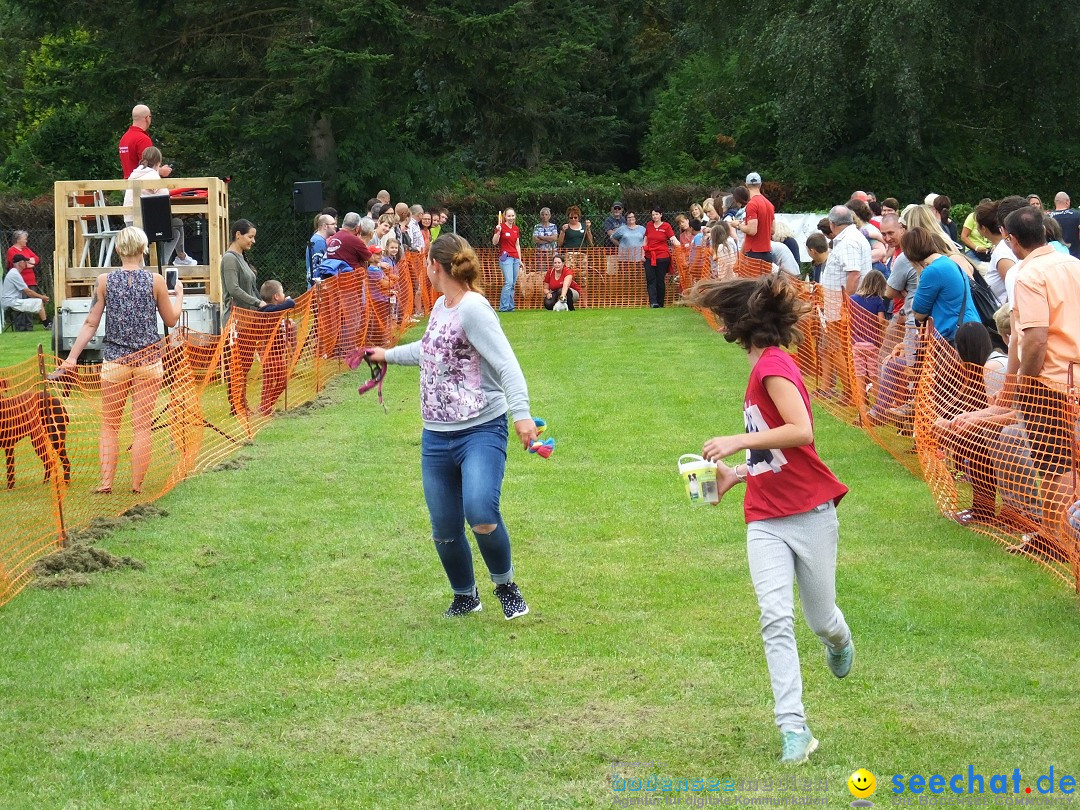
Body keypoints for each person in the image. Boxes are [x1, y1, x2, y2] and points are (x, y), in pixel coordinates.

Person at [688, 274, 853, 766]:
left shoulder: (774, 366)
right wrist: (735, 475)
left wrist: (737, 442)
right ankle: (794, 729)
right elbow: (771, 449)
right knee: (775, 617)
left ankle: (839, 640)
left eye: (722, 316)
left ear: (743, 321)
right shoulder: (760, 363)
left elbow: (800, 431)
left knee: (821, 620)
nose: (718, 324)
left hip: (810, 513)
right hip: (765, 517)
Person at [367, 233, 538, 620]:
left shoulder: (474, 309)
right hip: (436, 437)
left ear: (435, 267)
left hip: (480, 429)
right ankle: (465, 596)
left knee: (480, 512)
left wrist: (522, 414)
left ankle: (506, 587)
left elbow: (507, 364)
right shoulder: (441, 307)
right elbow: (428, 351)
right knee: (444, 528)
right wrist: (387, 355)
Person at [58, 226, 183, 493]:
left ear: (117, 250)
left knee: (110, 425)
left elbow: (91, 323)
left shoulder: (104, 281)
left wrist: (71, 358)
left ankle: (106, 483)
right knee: (141, 427)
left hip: (115, 361)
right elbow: (171, 320)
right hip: (149, 360)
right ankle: (136, 485)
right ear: (143, 250)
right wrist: (179, 297)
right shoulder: (156, 281)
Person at [1002, 205, 1080, 560]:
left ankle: (1057, 541)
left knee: (1054, 467)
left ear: (1011, 239)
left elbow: (1033, 338)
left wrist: (1025, 382)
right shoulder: (1074, 265)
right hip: (1074, 377)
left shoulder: (1028, 274)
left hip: (1051, 382)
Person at [220, 219, 266, 417]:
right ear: (238, 235)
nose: (253, 241)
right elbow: (233, 289)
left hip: (248, 318)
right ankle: (236, 405)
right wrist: (258, 303)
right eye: (250, 236)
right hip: (236, 319)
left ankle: (241, 403)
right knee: (237, 365)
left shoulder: (241, 256)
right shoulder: (230, 259)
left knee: (245, 364)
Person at [123, 147, 198, 266]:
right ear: (158, 162)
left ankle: (180, 257)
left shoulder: (135, 174)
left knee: (177, 223)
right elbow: (165, 195)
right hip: (142, 224)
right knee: (176, 228)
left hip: (129, 221)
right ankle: (165, 262)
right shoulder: (152, 175)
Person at [904, 227, 979, 343]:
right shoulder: (948, 262)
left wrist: (919, 274)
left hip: (953, 336)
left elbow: (918, 313)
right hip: (971, 329)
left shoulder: (932, 271)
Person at [255, 279, 296, 416]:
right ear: (276, 297)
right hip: (268, 354)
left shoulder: (274, 311)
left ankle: (266, 405)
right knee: (269, 381)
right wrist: (289, 302)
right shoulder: (267, 310)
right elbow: (288, 305)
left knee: (282, 380)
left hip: (278, 353)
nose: (285, 295)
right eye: (282, 293)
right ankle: (265, 408)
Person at [848, 269, 890, 399]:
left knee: (860, 374)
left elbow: (847, 318)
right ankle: (877, 404)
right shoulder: (877, 301)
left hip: (856, 343)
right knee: (873, 374)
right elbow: (881, 321)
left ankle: (862, 403)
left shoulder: (852, 299)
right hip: (872, 343)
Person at [118, 104, 172, 180]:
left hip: (127, 185)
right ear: (147, 118)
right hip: (141, 186)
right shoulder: (143, 139)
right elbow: (147, 168)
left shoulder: (124, 138)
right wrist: (161, 171)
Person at [734, 172, 775, 262]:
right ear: (760, 185)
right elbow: (772, 230)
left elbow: (752, 231)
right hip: (767, 253)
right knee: (767, 277)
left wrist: (738, 225)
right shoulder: (769, 204)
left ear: (746, 185)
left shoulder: (752, 204)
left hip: (754, 253)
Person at [643, 207, 678, 308]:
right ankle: (653, 302)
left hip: (662, 257)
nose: (655, 216)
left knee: (660, 280)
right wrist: (642, 253)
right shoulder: (649, 225)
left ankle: (660, 302)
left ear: (661, 215)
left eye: (657, 214)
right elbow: (645, 240)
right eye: (653, 215)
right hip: (649, 256)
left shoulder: (666, 226)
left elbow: (673, 239)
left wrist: (681, 247)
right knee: (650, 279)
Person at [2, 255, 51, 328]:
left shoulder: (14, 272)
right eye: (25, 261)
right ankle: (47, 324)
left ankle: (46, 323)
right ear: (20, 263)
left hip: (11, 300)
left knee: (37, 301)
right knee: (38, 302)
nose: (26, 263)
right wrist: (42, 297)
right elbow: (28, 292)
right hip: (11, 301)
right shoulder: (14, 274)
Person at [492, 208, 523, 313]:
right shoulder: (500, 227)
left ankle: (510, 306)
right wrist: (498, 232)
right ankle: (504, 307)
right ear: (504, 216)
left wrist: (520, 259)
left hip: (515, 258)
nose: (511, 218)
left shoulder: (516, 228)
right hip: (506, 257)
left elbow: (517, 245)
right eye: (509, 216)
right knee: (508, 282)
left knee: (513, 283)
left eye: (512, 216)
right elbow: (495, 242)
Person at [307, 213, 337, 287]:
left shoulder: (318, 239)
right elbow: (321, 267)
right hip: (318, 287)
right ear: (325, 226)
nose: (336, 226)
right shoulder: (319, 242)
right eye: (333, 224)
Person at [1048, 192, 1080, 260]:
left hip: (1054, 258)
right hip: (1075, 257)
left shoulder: (1048, 218)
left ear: (1055, 202)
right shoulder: (1077, 215)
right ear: (1067, 202)